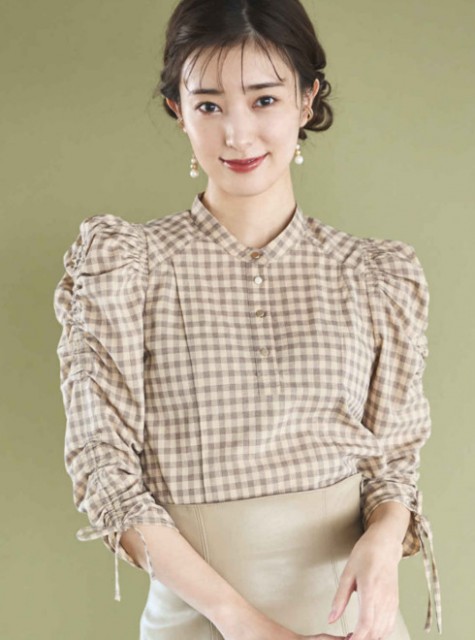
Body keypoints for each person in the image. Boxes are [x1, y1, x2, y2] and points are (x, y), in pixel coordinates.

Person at [53, 1, 442, 639]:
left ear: (306, 100)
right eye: (209, 105)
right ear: (178, 109)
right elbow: (105, 474)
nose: (237, 134)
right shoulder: (125, 270)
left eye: (264, 100)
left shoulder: (373, 276)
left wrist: (382, 536)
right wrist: (245, 624)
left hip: (354, 627)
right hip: (199, 624)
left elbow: (393, 459)